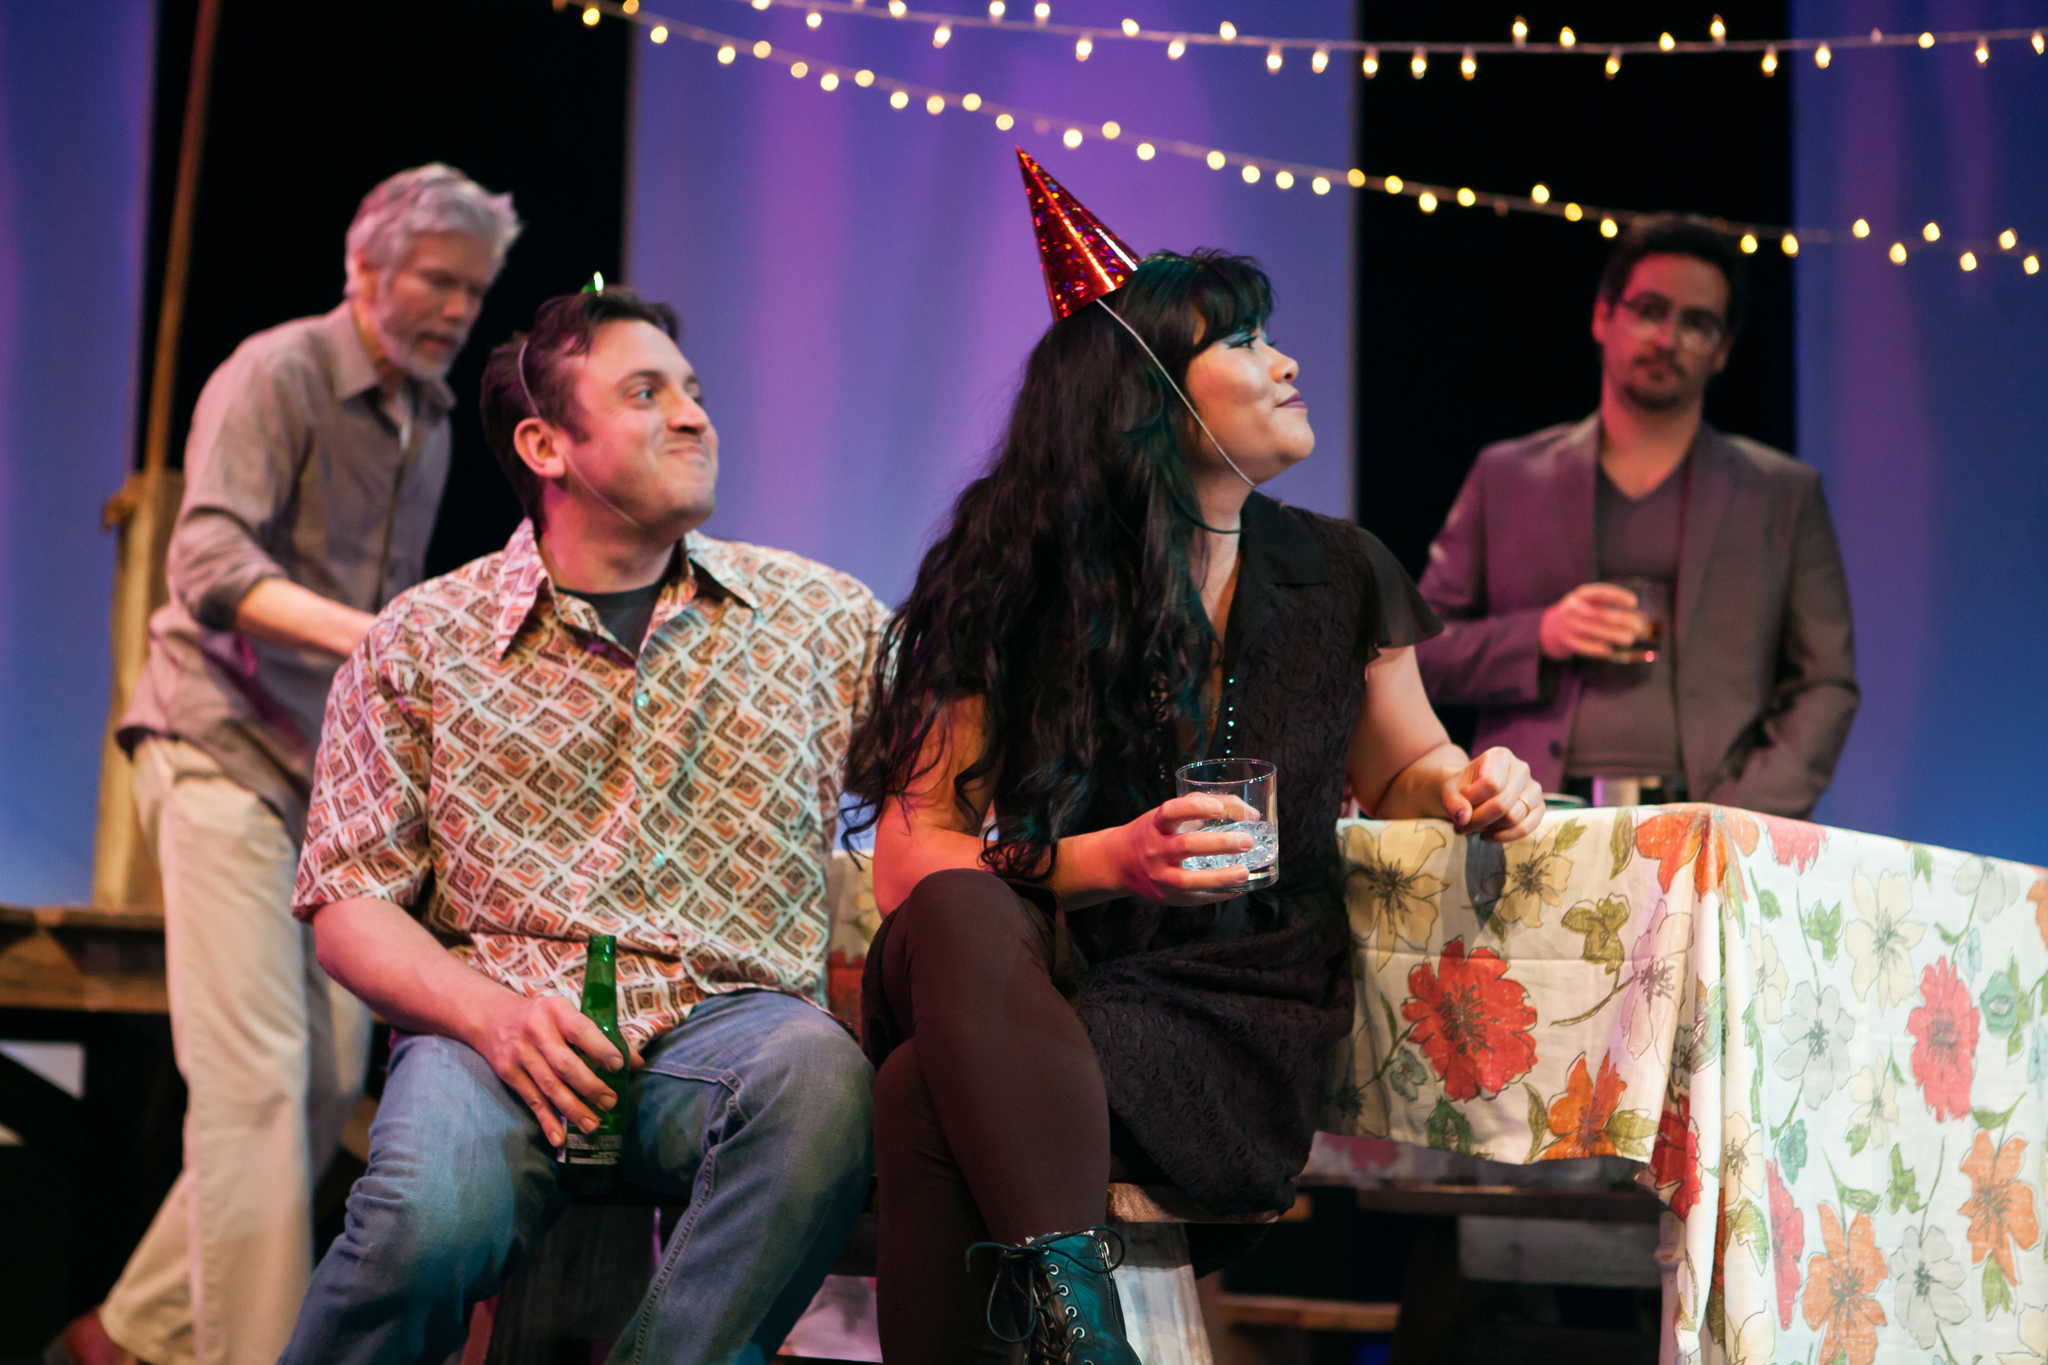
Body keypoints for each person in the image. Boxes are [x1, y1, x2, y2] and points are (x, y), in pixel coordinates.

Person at [842, 154, 1545, 1365]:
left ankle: (1074, 1334)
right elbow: (911, 862)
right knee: (957, 912)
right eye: (1245, 341)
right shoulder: (1010, 573)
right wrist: (1106, 863)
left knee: (917, 1094)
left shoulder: (1339, 571)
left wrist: (1471, 782)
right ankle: (1088, 1335)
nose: (1285, 361)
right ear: (1150, 396)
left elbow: (1405, 767)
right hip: (1031, 977)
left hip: (1234, 1011)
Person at [276, 285, 884, 1365]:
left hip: (728, 1032)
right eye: (645, 394)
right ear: (545, 445)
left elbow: (957, 768)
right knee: (421, 1226)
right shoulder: (424, 638)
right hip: (497, 1031)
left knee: (819, 1077)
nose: (693, 416)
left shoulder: (819, 618)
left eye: (693, 391)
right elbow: (348, 902)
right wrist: (491, 1017)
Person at [58, 164, 521, 1365]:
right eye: (437, 280)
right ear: (367, 266)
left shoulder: (425, 419)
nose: (457, 309)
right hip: (216, 744)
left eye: (473, 291)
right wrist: (378, 637)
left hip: (320, 784)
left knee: (321, 1088)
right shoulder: (276, 373)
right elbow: (209, 565)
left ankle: (125, 1332)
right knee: (258, 1083)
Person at [1414, 213, 1857, 817]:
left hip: (1710, 823)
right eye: (1649, 311)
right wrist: (1542, 634)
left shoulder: (1783, 494)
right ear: (1602, 316)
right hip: (1531, 819)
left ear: (1724, 349)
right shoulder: (1507, 476)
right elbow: (1421, 650)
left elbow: (1825, 683)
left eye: (1697, 323)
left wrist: (1738, 817)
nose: (1667, 338)